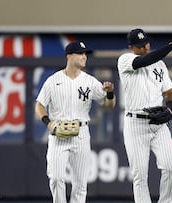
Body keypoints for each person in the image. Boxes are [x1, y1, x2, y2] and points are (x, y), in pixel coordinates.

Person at [35, 41, 116, 203]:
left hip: (81, 134)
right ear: (69, 56)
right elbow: (39, 105)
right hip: (58, 133)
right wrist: (48, 123)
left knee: (80, 184)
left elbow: (109, 106)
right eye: (80, 54)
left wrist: (110, 94)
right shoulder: (53, 80)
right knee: (56, 178)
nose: (84, 57)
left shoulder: (90, 81)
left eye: (85, 54)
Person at [117, 28, 172, 203]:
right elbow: (144, 60)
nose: (145, 47)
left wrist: (169, 108)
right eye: (140, 45)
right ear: (132, 47)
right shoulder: (125, 60)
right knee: (140, 175)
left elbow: (169, 92)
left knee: (169, 166)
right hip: (135, 124)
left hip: (158, 124)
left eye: (146, 42)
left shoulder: (160, 64)